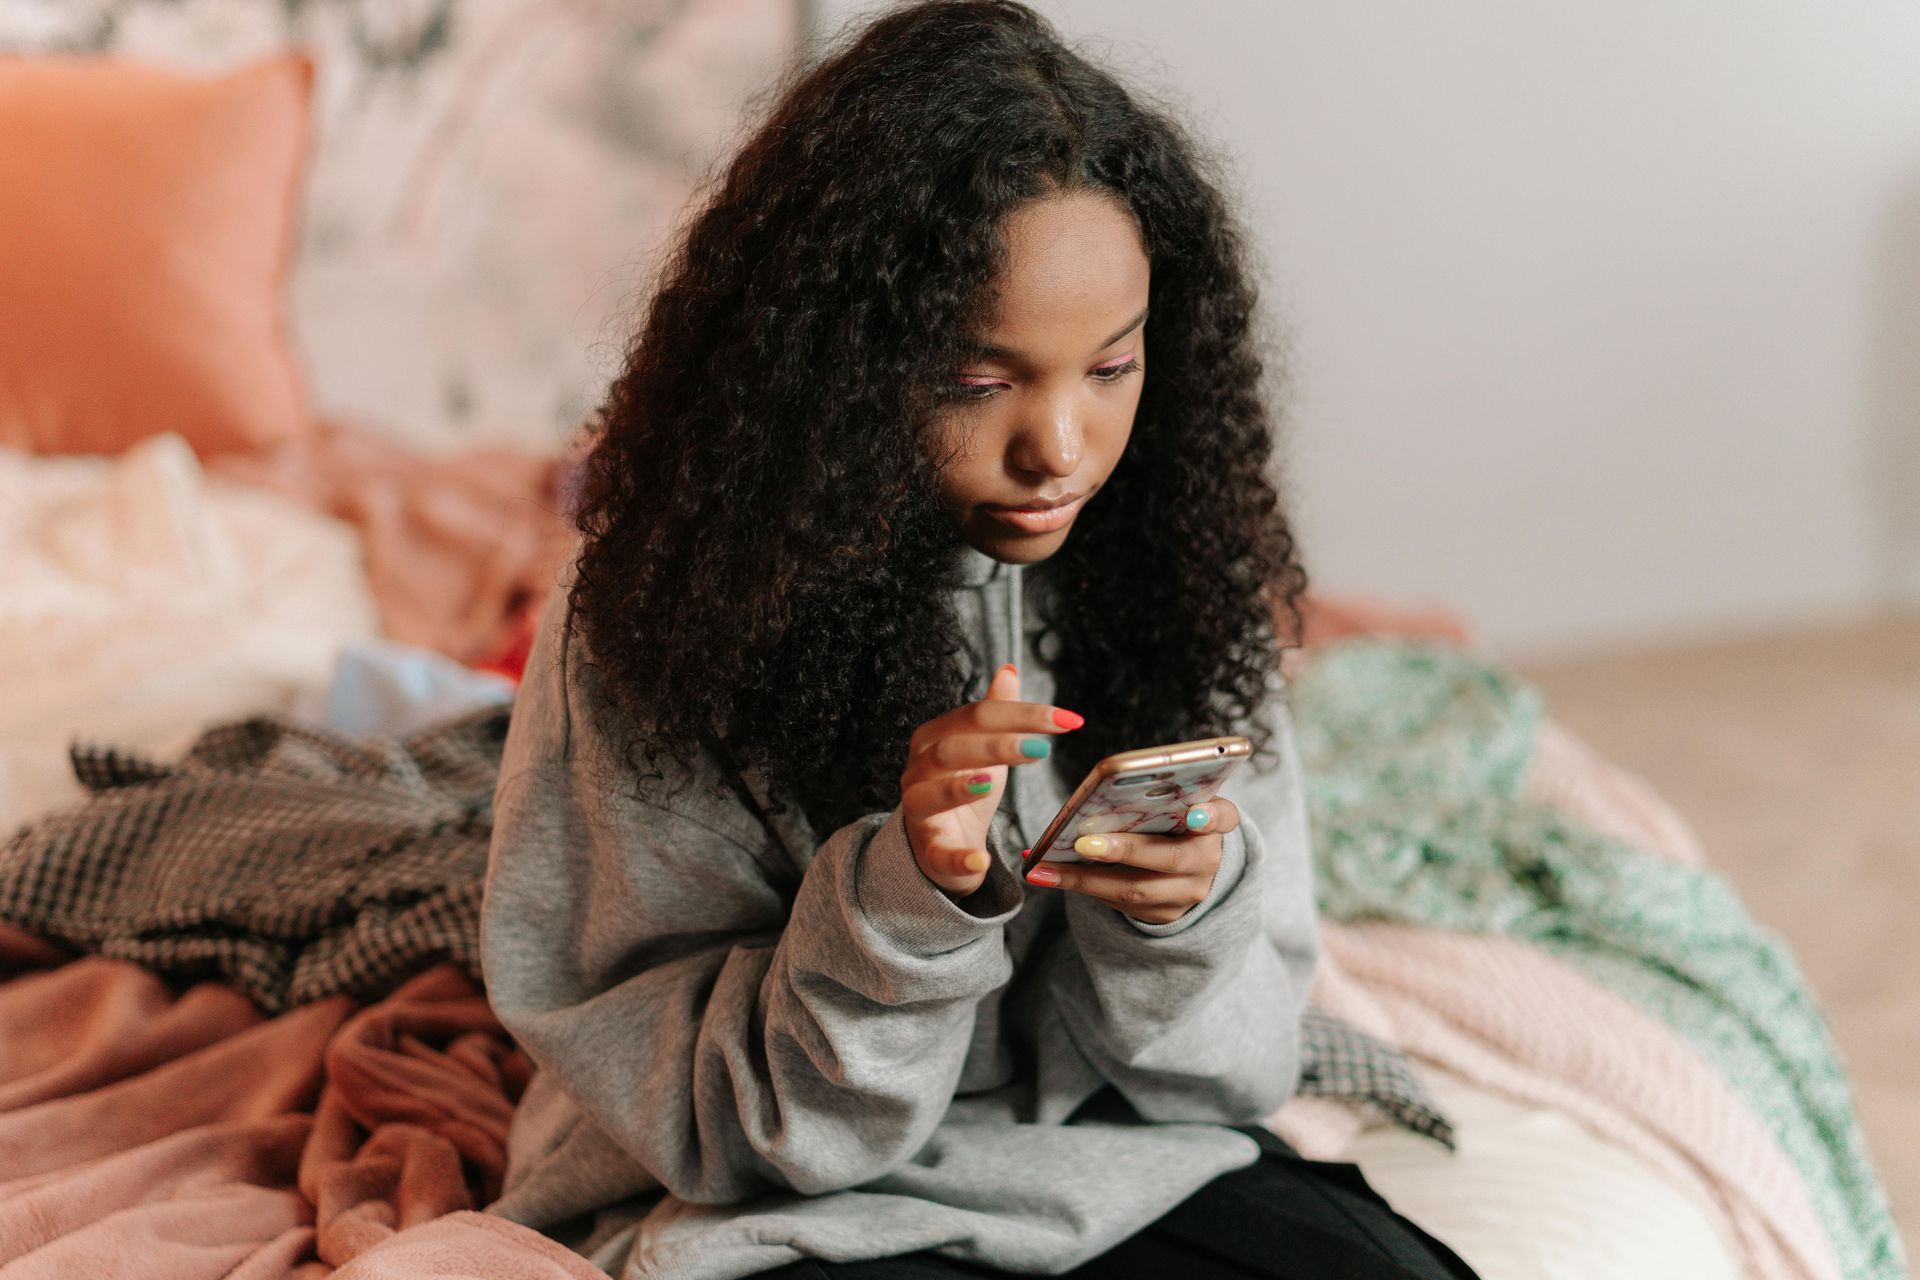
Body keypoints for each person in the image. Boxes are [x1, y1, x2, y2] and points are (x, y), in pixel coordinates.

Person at [479, 3, 1482, 1277]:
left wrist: (1182, 923)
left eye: (1109, 367)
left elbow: (1233, 1074)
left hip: (1119, 1161)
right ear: (830, 363)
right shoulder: (650, 614)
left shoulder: (1182, 558)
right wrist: (907, 902)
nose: (1059, 449)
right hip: (774, 1202)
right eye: (976, 381)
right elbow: (726, 1130)